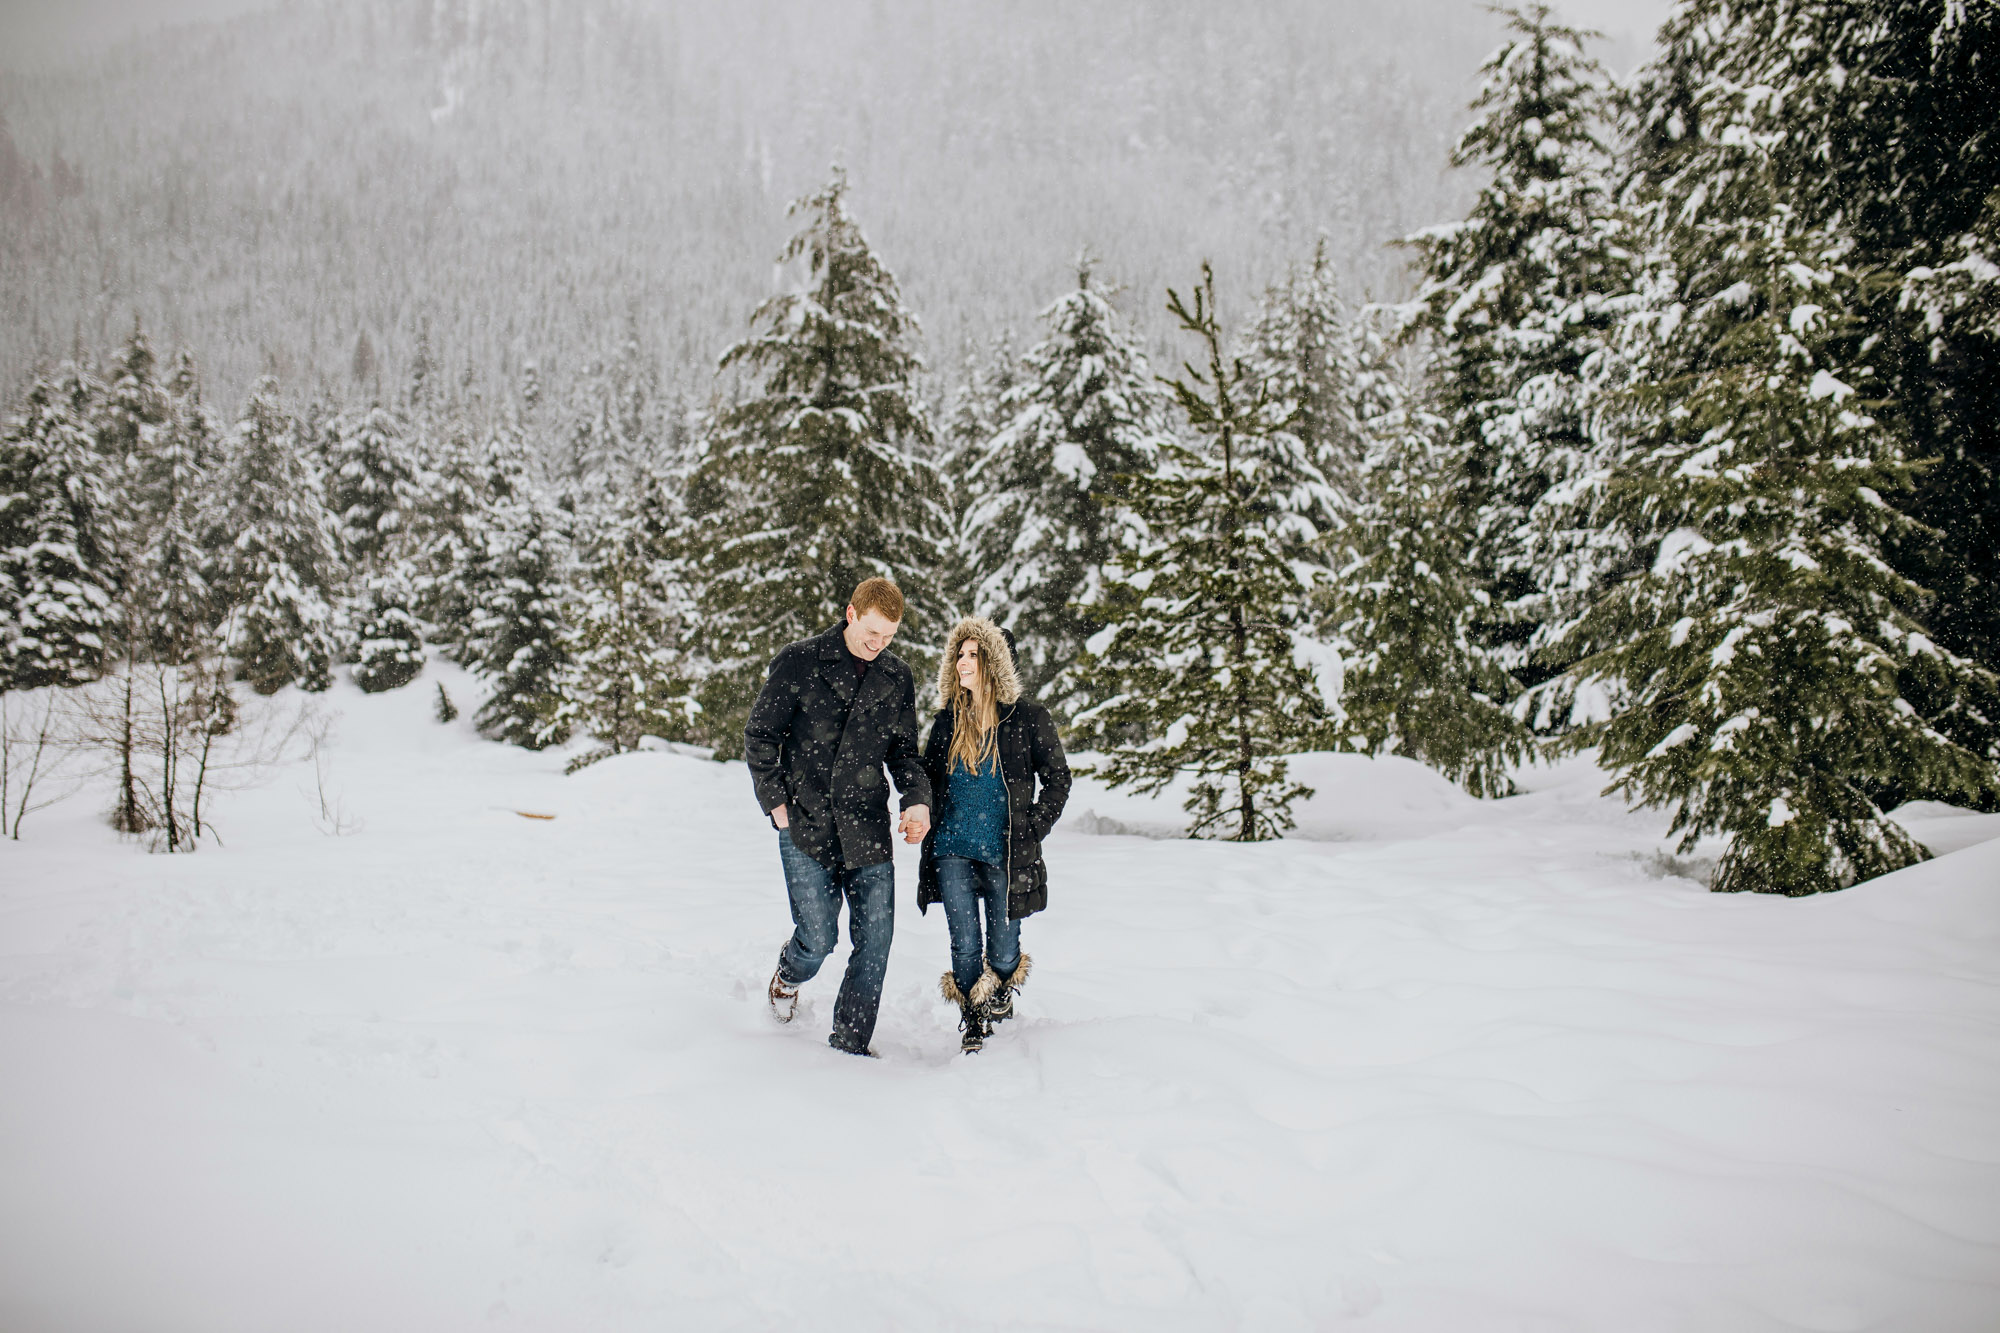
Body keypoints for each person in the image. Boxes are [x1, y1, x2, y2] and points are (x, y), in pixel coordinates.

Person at [744, 577, 932, 1056]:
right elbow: (761, 735)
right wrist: (776, 802)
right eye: (872, 632)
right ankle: (788, 975)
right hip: (806, 822)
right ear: (851, 614)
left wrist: (917, 798)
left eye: (889, 636)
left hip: (867, 825)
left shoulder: (896, 676)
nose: (879, 644)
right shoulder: (800, 661)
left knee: (876, 941)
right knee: (819, 937)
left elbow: (906, 753)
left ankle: (850, 1044)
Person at [917, 617, 1072, 1053]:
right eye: (959, 654)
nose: (962, 662)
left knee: (1004, 952)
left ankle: (1001, 987)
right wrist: (918, 808)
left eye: (972, 654)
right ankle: (973, 1019)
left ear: (995, 663)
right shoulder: (947, 720)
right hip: (951, 849)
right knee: (964, 943)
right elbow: (926, 778)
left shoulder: (1029, 719)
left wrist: (1032, 828)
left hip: (1006, 852)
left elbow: (1058, 780)